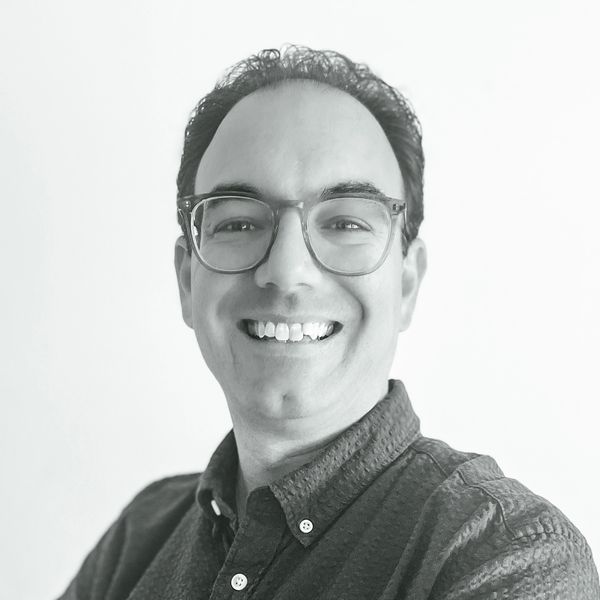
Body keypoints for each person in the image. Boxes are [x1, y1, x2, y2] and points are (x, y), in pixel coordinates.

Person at [58, 46, 599, 600]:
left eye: (344, 222)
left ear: (407, 284)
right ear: (188, 283)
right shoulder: (141, 535)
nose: (287, 272)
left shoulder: (506, 555)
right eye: (240, 222)